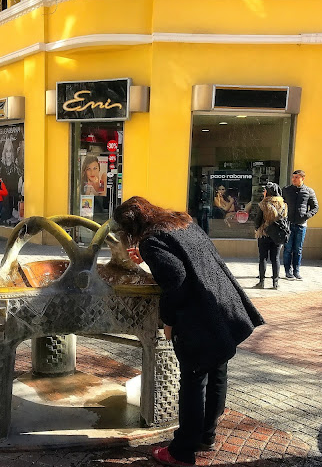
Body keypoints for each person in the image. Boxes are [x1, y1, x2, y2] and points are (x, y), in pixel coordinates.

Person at [113, 196, 265, 467]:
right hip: (222, 302)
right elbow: (189, 259)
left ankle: (182, 451)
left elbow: (176, 278)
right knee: (217, 371)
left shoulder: (150, 241)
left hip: (198, 315)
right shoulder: (181, 222)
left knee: (194, 381)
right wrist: (149, 258)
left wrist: (169, 321)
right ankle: (206, 436)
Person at [282, 170, 318, 280]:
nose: (294, 179)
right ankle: (288, 271)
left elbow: (315, 207)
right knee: (288, 249)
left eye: (297, 177)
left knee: (298, 249)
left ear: (303, 178)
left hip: (301, 225)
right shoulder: (286, 190)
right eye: (293, 177)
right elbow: (280, 204)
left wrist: (306, 216)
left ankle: (296, 271)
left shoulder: (309, 191)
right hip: (288, 224)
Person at [254, 182, 288, 290]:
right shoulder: (283, 204)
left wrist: (257, 228)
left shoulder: (263, 204)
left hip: (264, 233)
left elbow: (257, 221)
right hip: (277, 235)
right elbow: (285, 220)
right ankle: (275, 283)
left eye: (265, 190)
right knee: (275, 258)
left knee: (263, 258)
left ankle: (261, 282)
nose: (263, 192)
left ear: (268, 192)